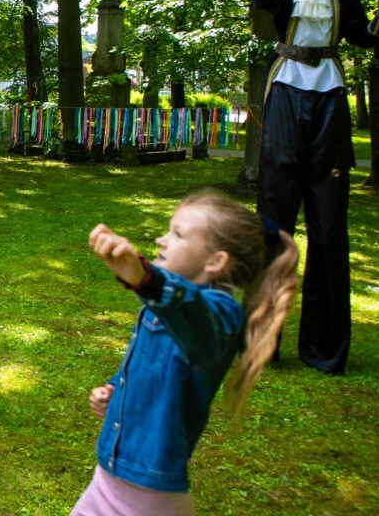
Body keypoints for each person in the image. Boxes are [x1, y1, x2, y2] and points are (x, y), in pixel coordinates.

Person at [71, 191, 298, 515]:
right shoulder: (163, 304)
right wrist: (112, 390)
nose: (161, 240)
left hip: (148, 500)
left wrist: (147, 280)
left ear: (215, 261)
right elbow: (151, 365)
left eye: (177, 234)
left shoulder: (219, 314)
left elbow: (193, 318)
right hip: (110, 477)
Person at [254, 0, 379, 375]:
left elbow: (365, 37)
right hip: (286, 87)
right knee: (275, 214)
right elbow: (263, 3)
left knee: (329, 220)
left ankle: (324, 348)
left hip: (329, 93)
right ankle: (260, 342)